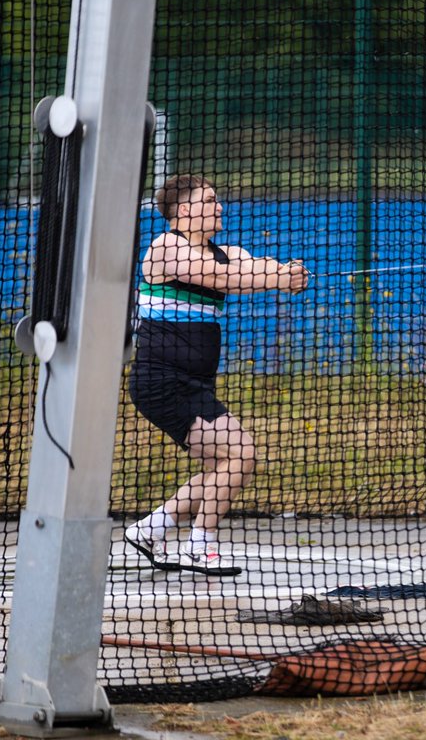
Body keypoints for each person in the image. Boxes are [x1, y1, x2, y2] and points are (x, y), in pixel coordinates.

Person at [123, 174, 309, 575]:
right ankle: (199, 544)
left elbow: (251, 265)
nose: (219, 206)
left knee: (223, 465)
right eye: (210, 200)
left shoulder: (225, 251)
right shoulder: (165, 247)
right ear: (185, 210)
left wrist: (287, 272)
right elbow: (218, 277)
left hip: (191, 384)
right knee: (241, 454)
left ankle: (150, 529)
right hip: (161, 382)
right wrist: (275, 280)